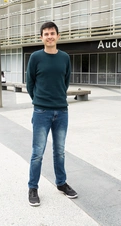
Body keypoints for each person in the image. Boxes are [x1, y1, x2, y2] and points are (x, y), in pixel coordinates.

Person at [26, 21, 78, 207]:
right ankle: (33, 188)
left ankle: (61, 183)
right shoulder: (35, 57)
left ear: (57, 36)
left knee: (60, 151)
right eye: (46, 34)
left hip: (61, 111)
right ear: (41, 37)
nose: (49, 36)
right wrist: (38, 100)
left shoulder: (64, 57)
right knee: (37, 153)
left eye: (52, 33)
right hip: (41, 111)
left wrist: (57, 99)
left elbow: (66, 81)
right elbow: (30, 82)